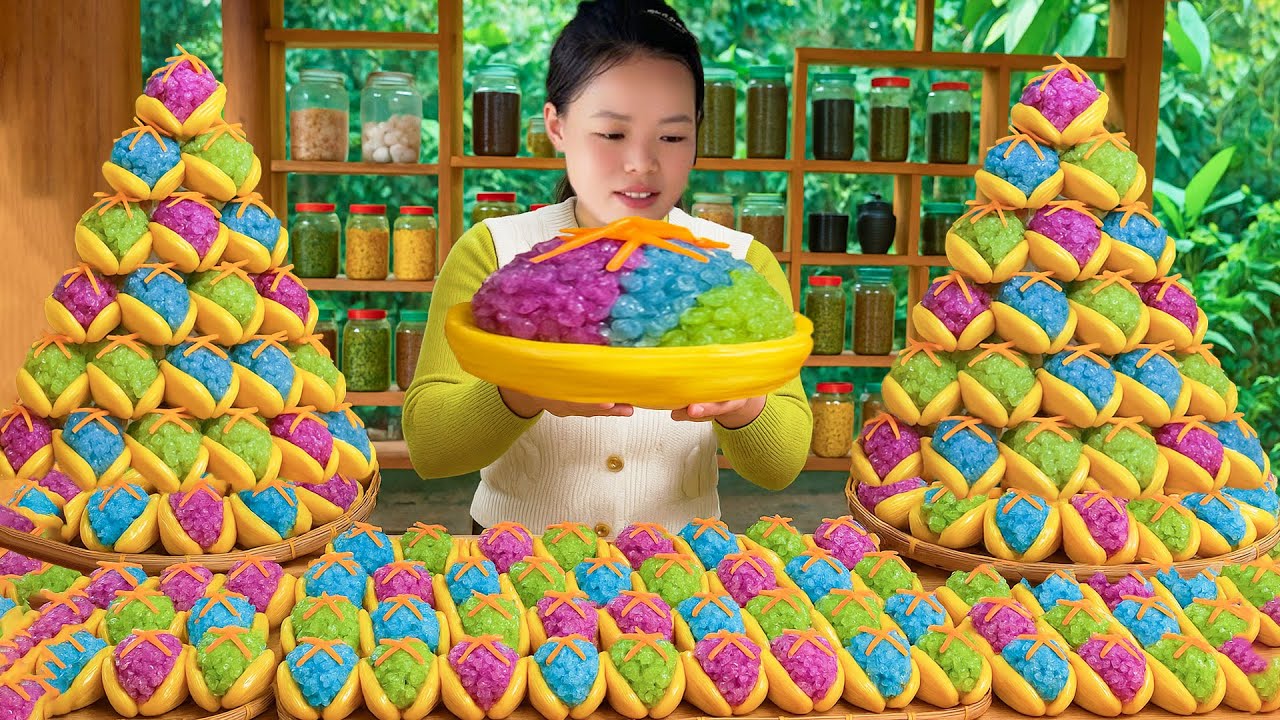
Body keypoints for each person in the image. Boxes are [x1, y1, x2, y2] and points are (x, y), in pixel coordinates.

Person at [402, 0, 812, 536]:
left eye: (671, 136)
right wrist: (522, 392)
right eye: (612, 134)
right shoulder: (495, 251)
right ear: (557, 126)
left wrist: (742, 403)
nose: (640, 162)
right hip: (513, 569)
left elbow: (781, 466)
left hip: (678, 573)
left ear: (697, 135)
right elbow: (429, 447)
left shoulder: (738, 263)